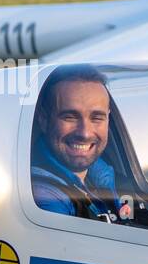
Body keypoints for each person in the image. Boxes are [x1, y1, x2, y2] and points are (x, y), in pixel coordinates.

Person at [31, 64, 130, 222]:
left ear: (108, 119)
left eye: (96, 118)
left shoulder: (105, 177)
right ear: (43, 120)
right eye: (70, 117)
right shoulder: (46, 198)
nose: (84, 133)